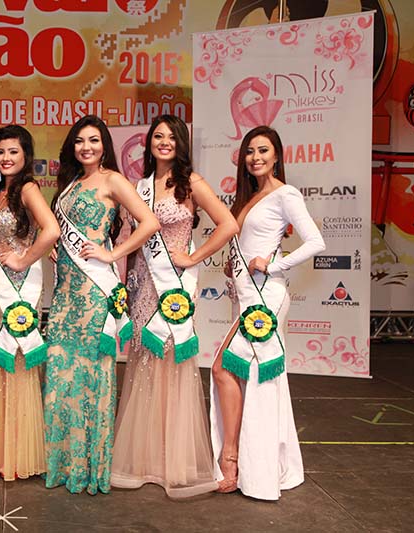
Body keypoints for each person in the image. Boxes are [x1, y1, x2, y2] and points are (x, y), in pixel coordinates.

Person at [111, 115, 238, 497]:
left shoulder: (191, 183)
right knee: (144, 364)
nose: (164, 142)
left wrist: (194, 256)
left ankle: (173, 461)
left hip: (173, 290)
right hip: (143, 286)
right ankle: (144, 459)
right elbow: (129, 238)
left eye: (171, 137)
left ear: (181, 143)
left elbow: (228, 224)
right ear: (149, 143)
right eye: (158, 136)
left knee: (171, 363)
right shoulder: (140, 186)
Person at [44, 115, 160, 495]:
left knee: (92, 374)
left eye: (93, 140)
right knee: (62, 372)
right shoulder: (70, 183)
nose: (86, 147)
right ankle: (63, 463)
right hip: (65, 293)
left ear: (104, 145)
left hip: (94, 294)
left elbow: (149, 222)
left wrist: (113, 255)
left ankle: (90, 465)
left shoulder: (113, 180)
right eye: (79, 141)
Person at [210, 125, 325, 500]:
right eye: (250, 151)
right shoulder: (250, 196)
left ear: (276, 156)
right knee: (246, 376)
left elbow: (316, 242)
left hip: (265, 297)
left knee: (227, 370)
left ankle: (234, 461)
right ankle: (253, 464)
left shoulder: (285, 194)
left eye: (263, 150)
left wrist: (273, 265)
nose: (255, 157)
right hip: (245, 295)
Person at [0, 125, 60, 480]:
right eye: (0, 151)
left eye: (13, 151)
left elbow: (51, 230)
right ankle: (2, 448)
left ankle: (19, 454)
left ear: (26, 156)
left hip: (20, 295)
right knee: (2, 362)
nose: (6, 158)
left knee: (18, 363)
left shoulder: (27, 189)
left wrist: (24, 259)